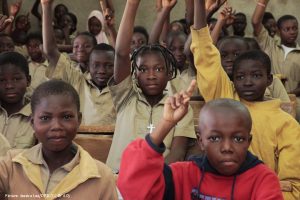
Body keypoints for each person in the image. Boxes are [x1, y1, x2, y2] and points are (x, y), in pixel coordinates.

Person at [191, 0, 300, 199]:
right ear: (232, 79)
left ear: (269, 80)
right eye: (240, 77)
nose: (247, 82)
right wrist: (199, 5)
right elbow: (204, 54)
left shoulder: (286, 123)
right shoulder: (225, 98)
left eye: (256, 76)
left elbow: (293, 186)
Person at [117, 82, 284, 199]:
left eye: (238, 138)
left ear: (249, 141)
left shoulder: (262, 179)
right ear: (201, 142)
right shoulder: (183, 174)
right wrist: (166, 123)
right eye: (215, 138)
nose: (227, 147)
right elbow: (133, 190)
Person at [106, 0, 196, 171]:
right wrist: (132, 4)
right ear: (135, 74)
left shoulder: (180, 107)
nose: (152, 75)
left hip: (159, 183)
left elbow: (177, 153)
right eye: (144, 69)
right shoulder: (126, 97)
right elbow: (121, 53)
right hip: (118, 180)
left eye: (159, 69)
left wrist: (150, 181)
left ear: (169, 73)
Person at [0, 80, 118, 199]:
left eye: (66, 117)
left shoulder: (101, 176)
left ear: (79, 120)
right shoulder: (11, 165)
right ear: (32, 122)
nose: (56, 126)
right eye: (45, 118)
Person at [42, 0, 116, 126]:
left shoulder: (119, 84)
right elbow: (50, 51)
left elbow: (121, 55)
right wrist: (46, 6)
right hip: (81, 139)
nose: (102, 70)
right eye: (96, 65)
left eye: (108, 65)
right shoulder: (77, 78)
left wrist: (111, 29)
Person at [252, 0, 300, 121]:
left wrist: (288, 93)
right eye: (287, 29)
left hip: (295, 103)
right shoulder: (270, 47)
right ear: (278, 31)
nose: (292, 32)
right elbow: (255, 22)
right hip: (268, 101)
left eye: (295, 28)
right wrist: (262, 2)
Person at [217, 36, 290, 102]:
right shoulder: (218, 83)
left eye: (236, 54)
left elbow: (286, 107)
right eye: (223, 55)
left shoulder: (274, 81)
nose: (229, 59)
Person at [0, 51, 35, 149]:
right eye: (2, 80)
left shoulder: (37, 116)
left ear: (28, 80)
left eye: (16, 79)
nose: (9, 86)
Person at [25, 32, 48, 96]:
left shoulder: (50, 66)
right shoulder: (24, 64)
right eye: (30, 46)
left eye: (36, 46)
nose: (33, 50)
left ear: (43, 46)